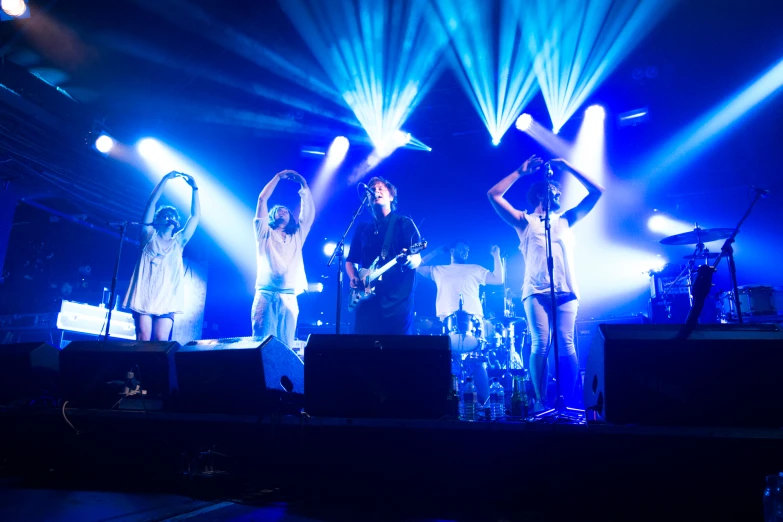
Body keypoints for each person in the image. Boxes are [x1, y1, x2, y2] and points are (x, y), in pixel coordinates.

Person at [487, 156, 604, 410]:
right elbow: (494, 195)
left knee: (566, 342)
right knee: (541, 342)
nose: (558, 192)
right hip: (535, 291)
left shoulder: (566, 220)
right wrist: (520, 171)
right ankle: (541, 402)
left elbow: (597, 191)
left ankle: (568, 401)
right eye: (553, 189)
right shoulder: (524, 221)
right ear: (540, 195)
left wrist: (570, 167)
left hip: (567, 290)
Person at [417, 240, 504, 403]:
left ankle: (484, 405)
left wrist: (496, 256)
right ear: (451, 250)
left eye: (467, 249)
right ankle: (450, 406)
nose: (465, 251)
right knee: (448, 365)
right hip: (446, 325)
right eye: (462, 248)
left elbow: (498, 279)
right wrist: (435, 252)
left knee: (477, 362)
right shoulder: (439, 270)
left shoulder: (475, 268)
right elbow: (416, 267)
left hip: (474, 324)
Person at [124, 171, 200, 341]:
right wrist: (165, 179)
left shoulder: (179, 241)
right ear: (157, 219)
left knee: (161, 340)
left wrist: (195, 188)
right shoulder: (148, 235)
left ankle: (155, 368)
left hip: (168, 296)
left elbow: (195, 216)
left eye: (172, 216)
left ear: (176, 222)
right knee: (143, 337)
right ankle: (137, 368)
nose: (169, 218)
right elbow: (151, 203)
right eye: (165, 216)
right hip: (145, 293)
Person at [345, 176, 422, 335]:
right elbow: (350, 261)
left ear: (391, 197)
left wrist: (407, 260)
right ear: (367, 198)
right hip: (367, 302)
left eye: (381, 189)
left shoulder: (404, 223)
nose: (376, 192)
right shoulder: (362, 227)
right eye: (372, 190)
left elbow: (417, 259)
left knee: (394, 352)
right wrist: (353, 276)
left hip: (396, 302)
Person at [252, 169, 315, 349]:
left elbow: (308, 215)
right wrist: (278, 177)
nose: (282, 212)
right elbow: (262, 199)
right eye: (278, 211)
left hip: (289, 296)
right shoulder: (264, 232)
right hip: (266, 294)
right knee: (263, 346)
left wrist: (304, 185)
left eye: (286, 211)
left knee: (286, 347)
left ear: (290, 217)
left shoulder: (297, 235)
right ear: (271, 216)